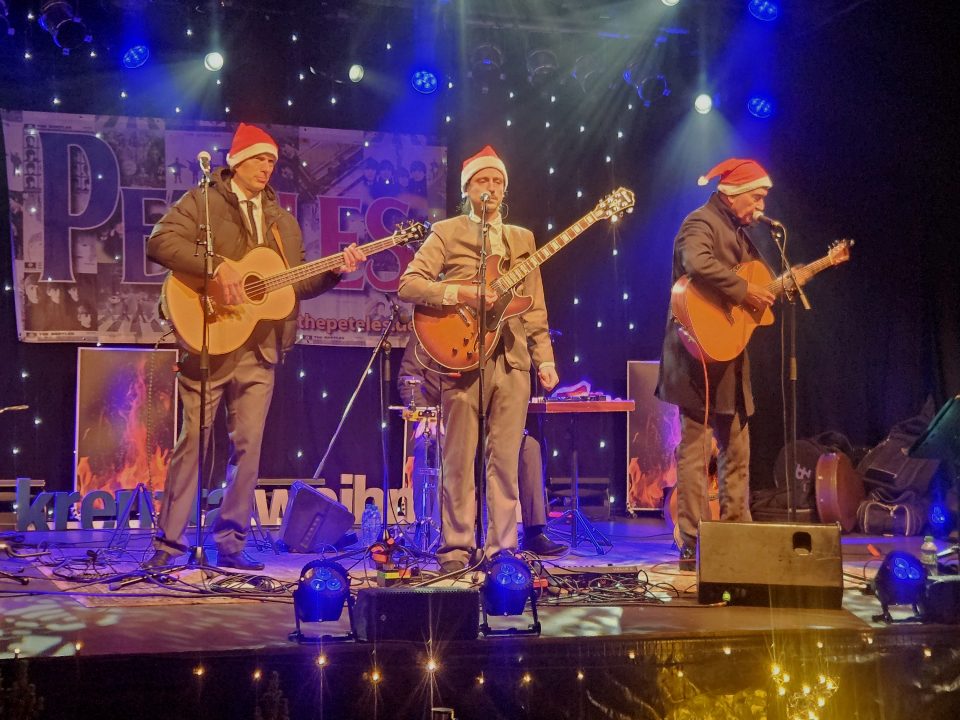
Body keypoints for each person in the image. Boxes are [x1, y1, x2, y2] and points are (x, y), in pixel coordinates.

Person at [143, 123, 365, 570]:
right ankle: (169, 544)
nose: (267, 167)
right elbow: (160, 242)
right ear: (238, 161)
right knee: (193, 442)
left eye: (272, 161)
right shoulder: (204, 201)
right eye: (260, 158)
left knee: (248, 450)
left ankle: (230, 543)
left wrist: (335, 271)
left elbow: (293, 285)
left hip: (261, 347)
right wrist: (216, 266)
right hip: (208, 339)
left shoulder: (282, 222)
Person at [398, 145, 559, 573]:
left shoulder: (523, 239)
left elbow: (535, 306)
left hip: (512, 360)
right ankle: (456, 547)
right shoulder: (446, 231)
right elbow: (409, 284)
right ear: (467, 188)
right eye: (483, 180)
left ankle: (502, 550)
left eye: (498, 181)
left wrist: (544, 359)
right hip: (461, 355)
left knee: (504, 461)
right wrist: (460, 293)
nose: (491, 187)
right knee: (458, 458)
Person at [655, 158, 776, 570]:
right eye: (757, 197)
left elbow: (751, 290)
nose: (761, 206)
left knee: (737, 447)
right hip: (696, 356)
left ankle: (736, 532)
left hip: (730, 357)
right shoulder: (700, 222)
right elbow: (696, 262)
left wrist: (765, 292)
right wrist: (744, 290)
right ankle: (691, 539)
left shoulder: (740, 233)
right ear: (734, 193)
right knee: (695, 449)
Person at [397, 339, 566, 557]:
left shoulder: (491, 339)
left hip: (488, 422)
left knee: (529, 447)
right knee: (432, 445)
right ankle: (442, 536)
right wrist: (426, 415)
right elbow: (408, 378)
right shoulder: (426, 332)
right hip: (443, 420)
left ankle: (534, 532)